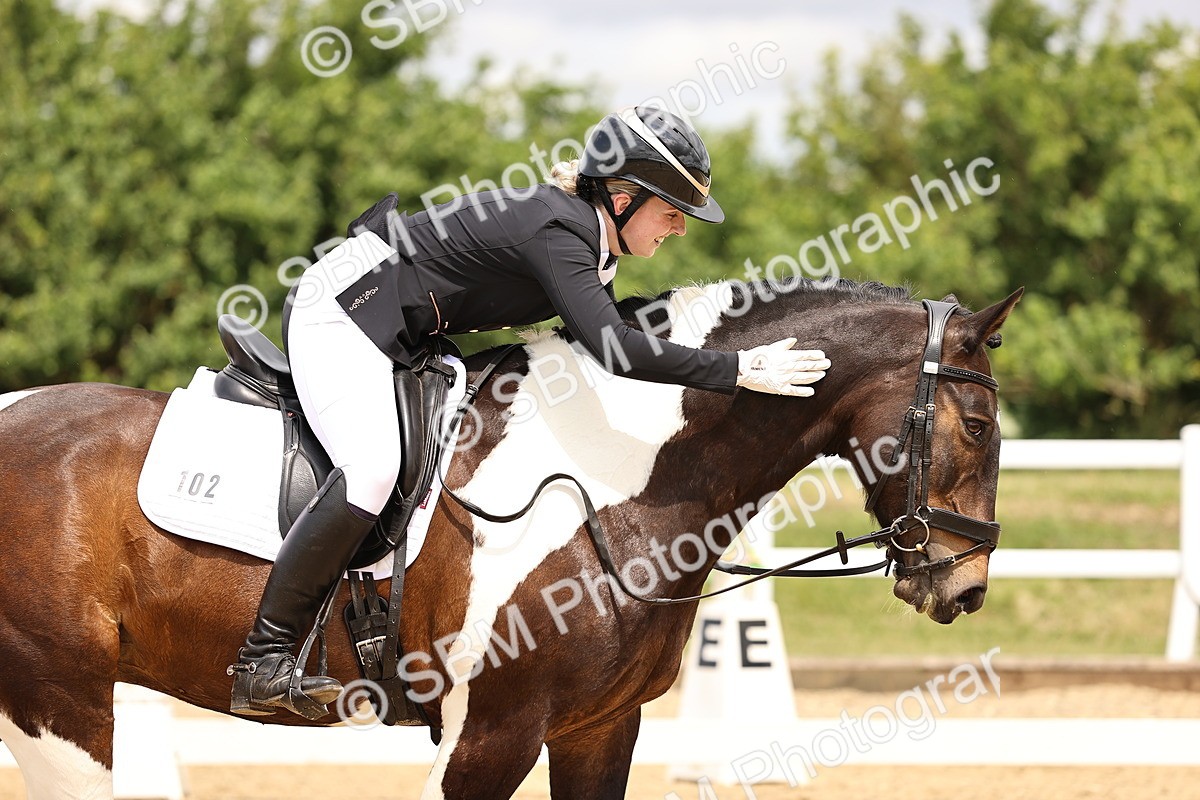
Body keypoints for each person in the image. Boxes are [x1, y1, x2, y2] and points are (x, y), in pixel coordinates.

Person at [227, 105, 832, 718]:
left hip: (408, 328)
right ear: (623, 197)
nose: (679, 229)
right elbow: (616, 350)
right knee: (374, 469)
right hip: (345, 311)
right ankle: (264, 657)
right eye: (672, 212)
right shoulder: (561, 233)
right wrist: (738, 370)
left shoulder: (594, 243)